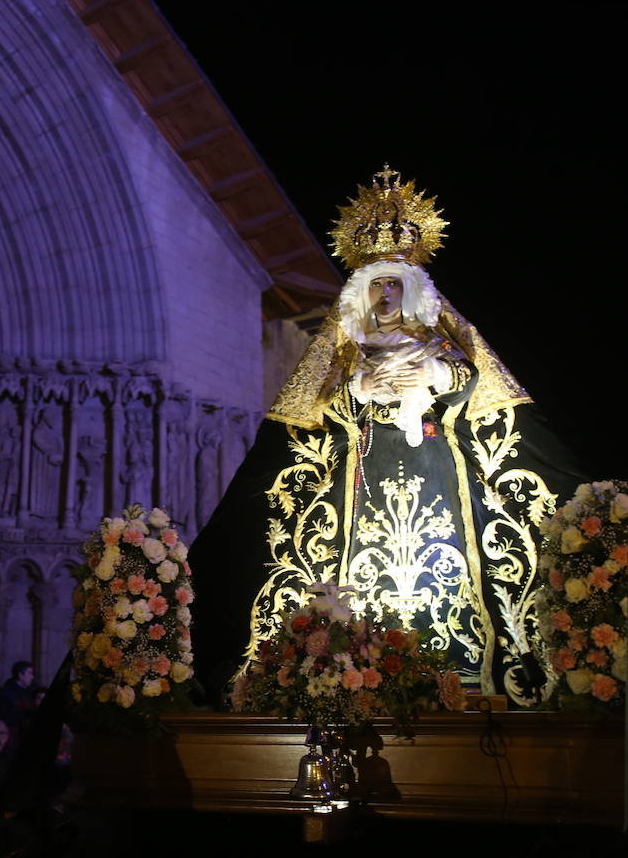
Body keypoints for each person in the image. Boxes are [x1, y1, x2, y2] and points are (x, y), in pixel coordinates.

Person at [192, 166, 587, 704]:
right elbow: (315, 411)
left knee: (445, 572)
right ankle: (360, 666)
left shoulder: (442, 339)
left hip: (435, 477)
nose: (384, 293)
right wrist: (361, 389)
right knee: (362, 579)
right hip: (365, 484)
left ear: (413, 289)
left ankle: (460, 670)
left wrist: (435, 377)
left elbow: (480, 387)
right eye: (376, 283)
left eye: (393, 283)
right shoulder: (343, 350)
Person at [0, 661, 35, 732]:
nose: (32, 677)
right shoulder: (8, 692)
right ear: (20, 675)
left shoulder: (32, 689)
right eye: (30, 673)